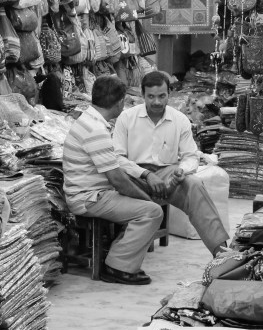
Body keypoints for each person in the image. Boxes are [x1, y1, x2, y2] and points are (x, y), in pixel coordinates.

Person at [112, 71, 230, 268]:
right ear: (143, 95)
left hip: (168, 173)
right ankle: (120, 260)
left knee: (194, 186)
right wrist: (146, 175)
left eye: (162, 96)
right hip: (134, 175)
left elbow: (190, 155)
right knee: (124, 178)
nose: (157, 101)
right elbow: (117, 157)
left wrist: (181, 172)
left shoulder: (179, 120)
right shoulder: (126, 118)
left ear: (169, 94)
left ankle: (222, 253)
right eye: (151, 96)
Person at [64, 75, 164, 285]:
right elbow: (118, 180)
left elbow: (115, 162)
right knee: (152, 212)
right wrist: (147, 199)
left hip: (91, 192)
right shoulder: (96, 131)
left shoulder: (89, 120)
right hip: (89, 198)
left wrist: (143, 176)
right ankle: (117, 267)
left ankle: (118, 257)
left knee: (141, 195)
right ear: (120, 103)